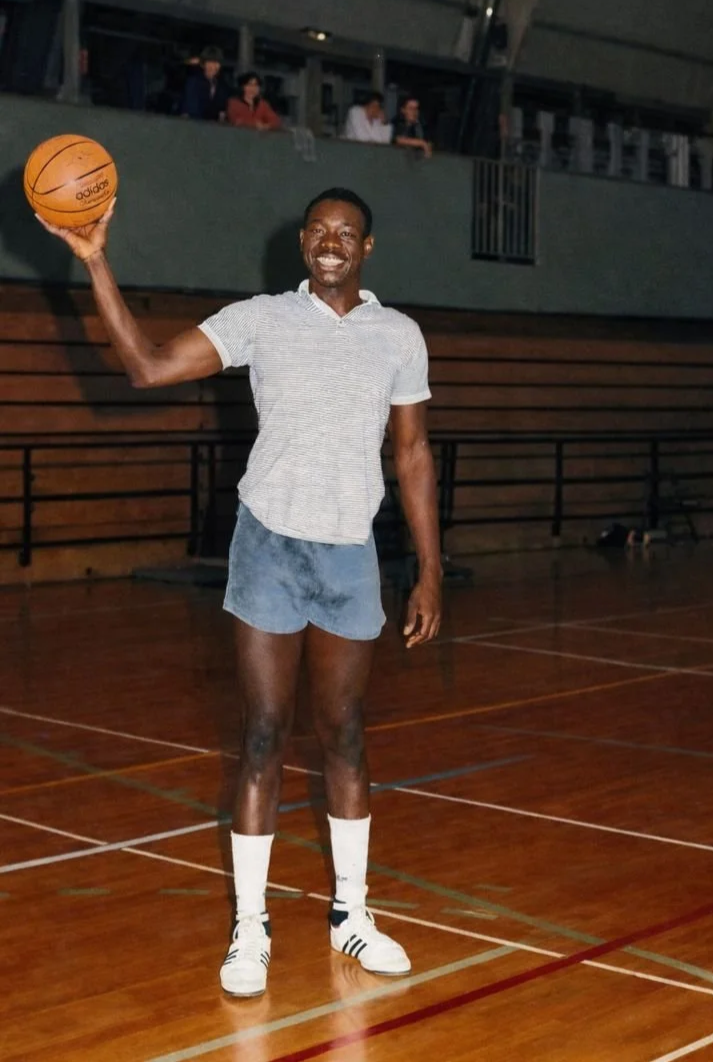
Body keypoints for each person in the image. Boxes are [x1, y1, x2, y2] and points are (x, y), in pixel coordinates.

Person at [36, 187, 442, 998]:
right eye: (320, 231)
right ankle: (250, 929)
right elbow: (146, 367)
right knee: (262, 735)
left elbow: (413, 454)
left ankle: (351, 915)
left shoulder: (399, 335)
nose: (332, 242)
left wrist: (430, 568)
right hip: (267, 549)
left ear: (368, 249)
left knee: (346, 736)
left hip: (349, 554)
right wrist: (96, 261)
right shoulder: (260, 319)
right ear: (302, 243)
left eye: (347, 233)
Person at [180, 45, 228, 122]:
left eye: (216, 63)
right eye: (210, 62)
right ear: (203, 64)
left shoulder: (221, 85)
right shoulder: (194, 81)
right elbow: (191, 109)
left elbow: (221, 109)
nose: (214, 66)